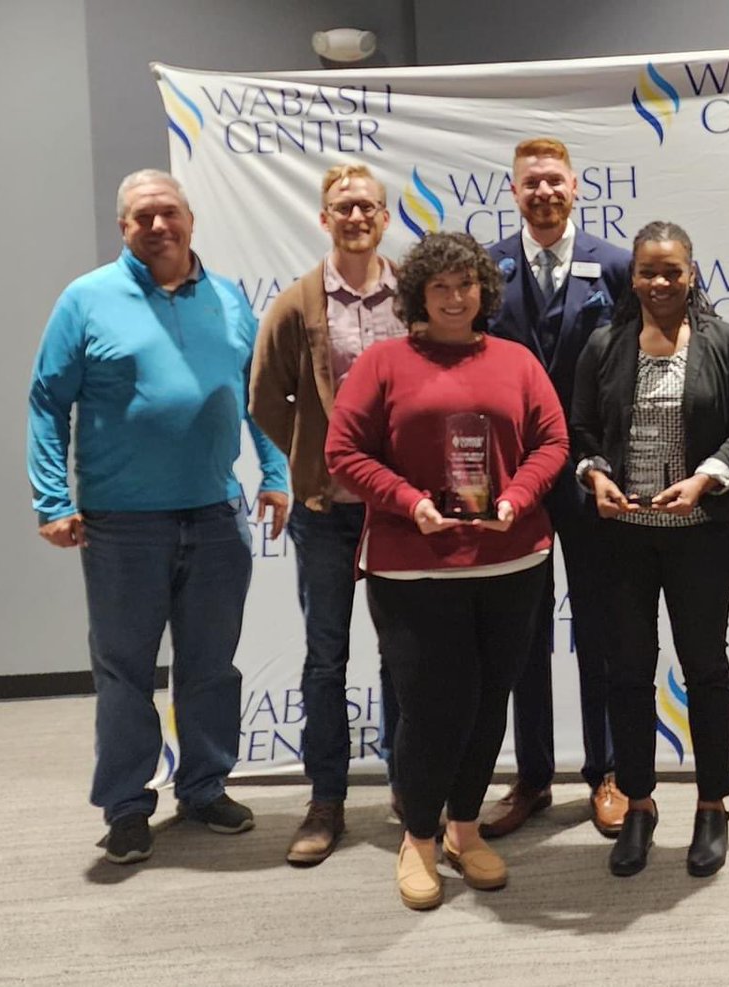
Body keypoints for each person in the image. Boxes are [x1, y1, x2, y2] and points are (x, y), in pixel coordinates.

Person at [28, 169, 290, 865]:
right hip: (122, 524)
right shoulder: (86, 300)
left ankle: (204, 786)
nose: (156, 225)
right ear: (124, 228)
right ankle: (127, 803)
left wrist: (277, 472)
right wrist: (53, 500)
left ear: (190, 220)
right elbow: (47, 403)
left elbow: (257, 395)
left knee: (210, 665)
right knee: (124, 671)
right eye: (141, 216)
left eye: (167, 212)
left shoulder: (230, 300)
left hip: (214, 515)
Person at [324, 231, 568, 911]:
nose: (456, 297)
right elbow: (342, 451)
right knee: (433, 706)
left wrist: (516, 498)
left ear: (484, 291)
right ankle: (420, 837)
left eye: (466, 284)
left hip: (510, 557)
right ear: (418, 296)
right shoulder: (384, 362)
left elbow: (553, 440)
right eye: (441, 287)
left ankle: (465, 825)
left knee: (491, 698)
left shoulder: (517, 360)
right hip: (414, 566)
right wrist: (409, 503)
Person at [571, 220, 729, 878]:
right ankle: (640, 804)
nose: (659, 282)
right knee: (626, 673)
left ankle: (713, 807)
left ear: (691, 271)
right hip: (621, 542)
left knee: (705, 668)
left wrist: (709, 475)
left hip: (702, 538)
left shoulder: (725, 342)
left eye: (671, 270)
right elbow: (581, 431)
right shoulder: (603, 344)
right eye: (647, 271)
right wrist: (594, 474)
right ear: (632, 276)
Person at [250, 163, 404, 866]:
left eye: (367, 205)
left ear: (384, 215)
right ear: (323, 218)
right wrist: (313, 457)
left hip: (401, 513)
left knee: (405, 656)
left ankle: (412, 792)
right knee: (326, 659)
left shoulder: (415, 297)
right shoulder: (297, 304)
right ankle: (326, 800)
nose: (355, 216)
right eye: (343, 206)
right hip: (326, 512)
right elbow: (264, 400)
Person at [483, 137, 633, 839]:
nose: (543, 192)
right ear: (513, 192)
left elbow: (658, 354)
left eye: (554, 180)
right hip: (514, 480)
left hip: (595, 473)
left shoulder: (618, 265)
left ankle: (605, 771)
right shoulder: (484, 270)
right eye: (530, 182)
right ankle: (533, 774)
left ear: (576, 186)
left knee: (600, 627)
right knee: (522, 632)